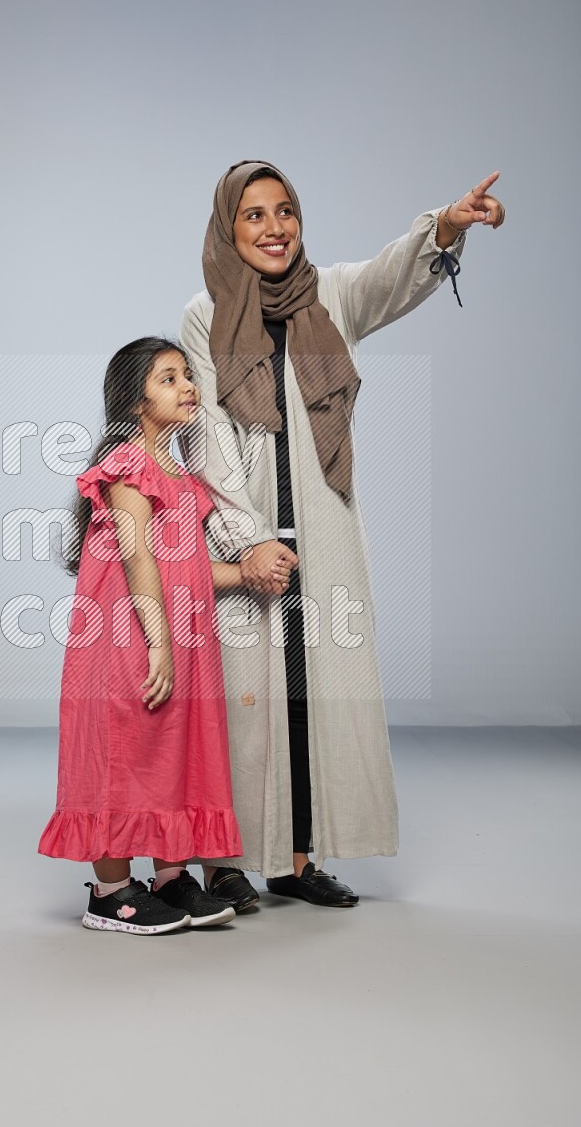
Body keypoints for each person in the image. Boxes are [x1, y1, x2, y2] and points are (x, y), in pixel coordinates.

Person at [178, 160, 506, 911]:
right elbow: (211, 438)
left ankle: (297, 858)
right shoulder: (207, 312)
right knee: (242, 694)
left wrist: (447, 224)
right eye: (254, 215)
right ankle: (224, 862)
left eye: (284, 210)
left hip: (324, 523)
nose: (274, 227)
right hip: (250, 528)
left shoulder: (325, 297)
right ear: (229, 228)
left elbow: (393, 276)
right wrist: (243, 538)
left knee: (313, 693)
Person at [38, 337, 288, 934]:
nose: (187, 388)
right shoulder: (127, 462)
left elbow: (186, 564)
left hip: (178, 636)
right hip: (129, 636)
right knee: (121, 754)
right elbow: (137, 555)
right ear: (134, 400)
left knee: (174, 752)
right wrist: (158, 643)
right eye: (168, 379)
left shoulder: (179, 474)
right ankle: (110, 893)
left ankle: (170, 881)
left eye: (186, 376)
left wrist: (252, 569)